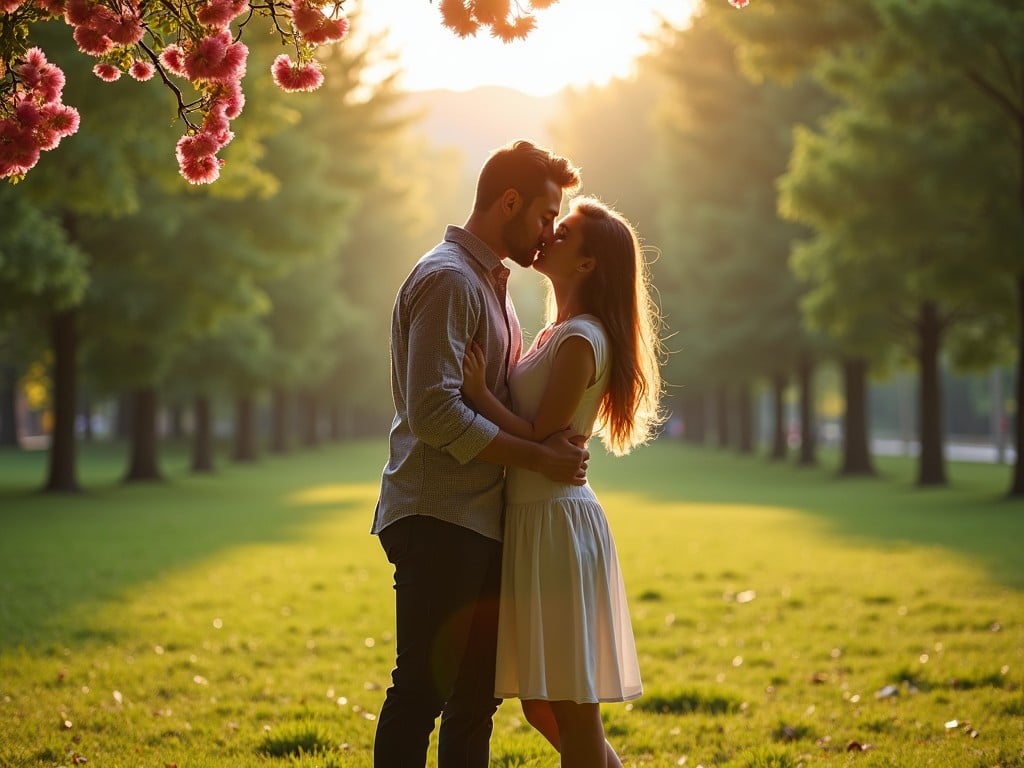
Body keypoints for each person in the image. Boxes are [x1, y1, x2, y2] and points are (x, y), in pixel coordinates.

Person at [371, 139, 590, 768]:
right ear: (510, 202)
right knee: (421, 694)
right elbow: (433, 411)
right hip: (440, 514)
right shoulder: (448, 280)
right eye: (547, 217)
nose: (549, 232)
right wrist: (536, 459)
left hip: (479, 518)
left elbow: (488, 396)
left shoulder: (489, 283)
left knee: (475, 700)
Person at [461, 196, 665, 768]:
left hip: (555, 523)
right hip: (535, 519)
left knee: (573, 707)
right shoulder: (558, 332)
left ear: (587, 263)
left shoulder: (580, 338)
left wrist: (477, 397)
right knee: (541, 703)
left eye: (565, 231)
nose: (550, 233)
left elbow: (539, 431)